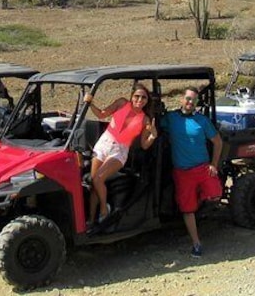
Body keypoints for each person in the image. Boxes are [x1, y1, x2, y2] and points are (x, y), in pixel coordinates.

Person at [160, 86, 223, 258]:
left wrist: (214, 164)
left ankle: (202, 208)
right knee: (187, 209)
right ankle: (196, 242)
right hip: (182, 171)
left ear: (196, 103)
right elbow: (155, 125)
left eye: (193, 100)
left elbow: (217, 142)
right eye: (187, 99)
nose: (189, 102)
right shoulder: (171, 118)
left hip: (202, 168)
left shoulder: (202, 121)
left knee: (216, 194)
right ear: (182, 99)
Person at [84, 83, 157, 226]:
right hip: (104, 143)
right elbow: (101, 114)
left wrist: (153, 136)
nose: (139, 100)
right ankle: (91, 220)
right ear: (132, 96)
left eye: (143, 98)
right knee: (94, 183)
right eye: (137, 96)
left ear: (147, 101)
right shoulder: (122, 103)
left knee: (99, 178)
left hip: (120, 150)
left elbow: (144, 144)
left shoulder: (145, 120)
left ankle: (104, 210)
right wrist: (89, 103)